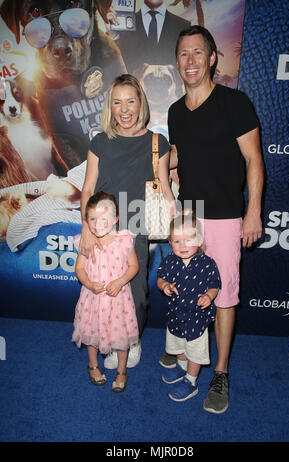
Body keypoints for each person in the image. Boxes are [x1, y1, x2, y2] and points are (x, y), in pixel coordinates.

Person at [161, 25, 264, 413]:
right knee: (185, 286)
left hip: (223, 217)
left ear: (212, 58)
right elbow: (178, 157)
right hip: (189, 218)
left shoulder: (235, 103)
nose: (190, 61)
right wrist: (156, 160)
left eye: (197, 53)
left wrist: (253, 211)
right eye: (184, 54)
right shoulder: (173, 111)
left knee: (222, 296)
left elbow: (254, 159)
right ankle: (187, 348)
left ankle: (219, 372)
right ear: (177, 61)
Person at [79, 74, 175, 369]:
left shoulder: (157, 142)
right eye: (117, 102)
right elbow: (87, 187)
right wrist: (87, 229)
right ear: (110, 107)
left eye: (130, 101)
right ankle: (111, 340)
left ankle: (131, 340)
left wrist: (179, 225)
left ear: (140, 104)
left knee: (137, 293)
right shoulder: (99, 142)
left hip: (137, 227)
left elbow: (165, 187)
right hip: (101, 230)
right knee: (104, 290)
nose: (124, 109)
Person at [72, 191, 139, 391]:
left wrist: (120, 281)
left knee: (120, 335)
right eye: (92, 218)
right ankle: (93, 365)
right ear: (87, 220)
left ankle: (121, 370)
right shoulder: (86, 242)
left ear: (115, 219)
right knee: (90, 331)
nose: (97, 223)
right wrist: (89, 284)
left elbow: (133, 266)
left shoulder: (125, 240)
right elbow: (79, 268)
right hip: (92, 298)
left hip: (118, 299)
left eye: (104, 218)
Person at [157, 210, 221, 402]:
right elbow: (160, 278)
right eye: (177, 241)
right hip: (176, 316)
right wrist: (164, 286)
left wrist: (209, 296)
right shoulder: (170, 261)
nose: (182, 245)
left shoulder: (208, 264)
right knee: (178, 347)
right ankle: (181, 368)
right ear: (170, 243)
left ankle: (190, 381)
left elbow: (215, 285)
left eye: (188, 239)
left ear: (200, 239)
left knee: (194, 352)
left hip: (197, 319)